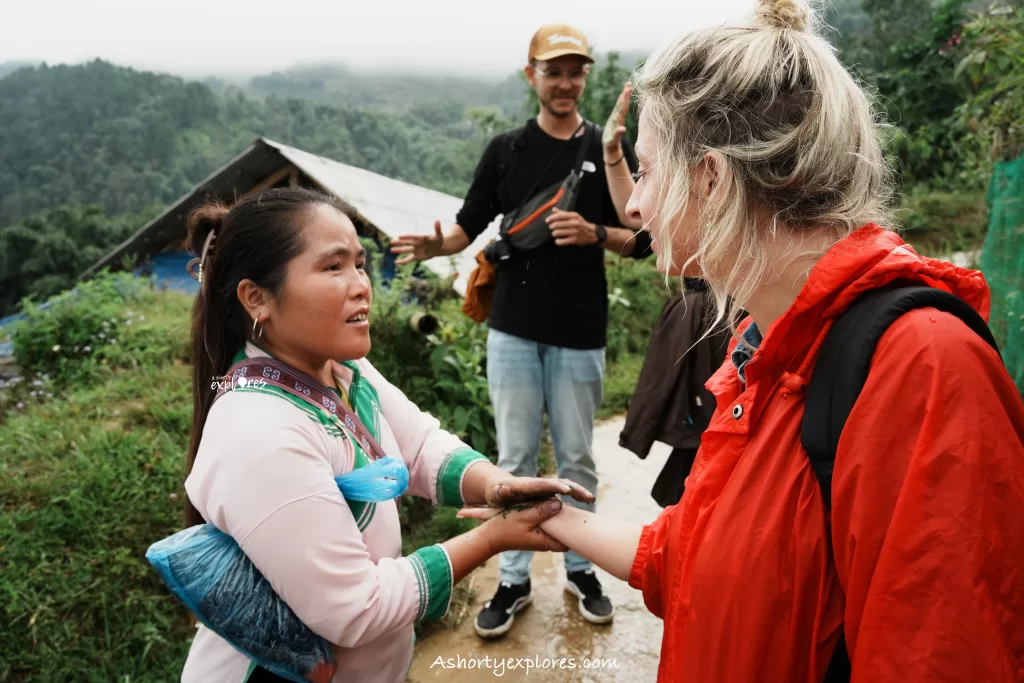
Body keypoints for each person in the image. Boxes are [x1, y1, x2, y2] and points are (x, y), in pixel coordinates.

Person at [461, 1, 1024, 680]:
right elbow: (694, 553)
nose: (635, 205)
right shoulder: (761, 344)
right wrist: (549, 517)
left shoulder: (922, 370)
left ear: (711, 178)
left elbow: (937, 654)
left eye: (646, 170)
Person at [179, 187, 595, 683]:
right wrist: (490, 539)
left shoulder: (341, 370)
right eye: (333, 267)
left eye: (359, 263)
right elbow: (357, 607)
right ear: (257, 298)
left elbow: (416, 442)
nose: (361, 285)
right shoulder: (258, 431)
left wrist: (493, 484)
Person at [391, 24, 652, 638]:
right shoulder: (505, 150)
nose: (565, 82)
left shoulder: (606, 147)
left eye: (575, 70)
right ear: (530, 75)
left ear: (585, 76)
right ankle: (512, 578)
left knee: (577, 456)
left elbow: (642, 237)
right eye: (553, 70)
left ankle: (582, 569)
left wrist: (596, 234)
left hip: (580, 329)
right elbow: (465, 226)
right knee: (512, 459)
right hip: (512, 329)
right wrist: (435, 246)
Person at [618, 278, 730, 507]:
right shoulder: (688, 307)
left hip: (725, 305)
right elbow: (658, 380)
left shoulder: (692, 307)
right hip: (710, 305)